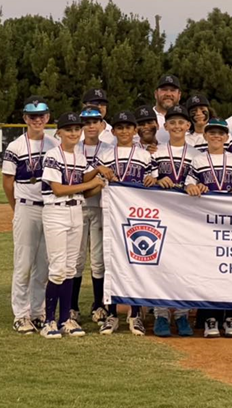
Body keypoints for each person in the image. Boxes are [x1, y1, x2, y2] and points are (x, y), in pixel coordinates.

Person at [39, 112, 107, 339]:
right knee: (57, 268)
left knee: (70, 268)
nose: (74, 133)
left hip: (76, 210)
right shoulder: (52, 154)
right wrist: (91, 181)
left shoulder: (79, 156)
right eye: (69, 129)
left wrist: (98, 176)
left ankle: (65, 319)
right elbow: (58, 188)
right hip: (56, 211)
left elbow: (84, 185)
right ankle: (48, 321)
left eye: (77, 129)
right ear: (59, 132)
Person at [96, 110, 159, 336]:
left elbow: (154, 179)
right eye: (119, 127)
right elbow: (95, 179)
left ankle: (134, 314)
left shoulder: (145, 155)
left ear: (135, 131)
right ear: (113, 131)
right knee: (111, 260)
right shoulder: (104, 154)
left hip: (136, 213)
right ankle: (112, 313)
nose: (124, 131)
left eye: (128, 127)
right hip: (111, 211)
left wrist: (154, 180)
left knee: (135, 261)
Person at [2, 97, 57, 335]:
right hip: (26, 206)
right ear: (25, 118)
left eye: (42, 116)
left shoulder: (54, 144)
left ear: (48, 118)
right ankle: (21, 314)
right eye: (32, 116)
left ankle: (38, 311)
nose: (37, 120)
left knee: (44, 265)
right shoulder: (16, 146)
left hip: (50, 207)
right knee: (24, 263)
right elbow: (7, 182)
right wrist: (17, 208)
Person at [185, 118, 232, 339]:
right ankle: (210, 317)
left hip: (230, 220)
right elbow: (189, 182)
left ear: (227, 137)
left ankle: (228, 316)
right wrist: (193, 186)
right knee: (209, 268)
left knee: (230, 267)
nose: (217, 137)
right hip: (206, 220)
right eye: (212, 133)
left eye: (221, 133)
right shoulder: (199, 160)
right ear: (206, 136)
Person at [151, 104, 198, 337]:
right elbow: (146, 181)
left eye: (182, 122)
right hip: (163, 213)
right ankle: (161, 313)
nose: (177, 126)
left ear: (188, 126)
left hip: (189, 217)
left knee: (186, 264)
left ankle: (182, 314)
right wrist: (159, 181)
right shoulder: (156, 152)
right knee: (162, 263)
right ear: (165, 126)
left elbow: (204, 181)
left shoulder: (198, 155)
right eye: (173, 122)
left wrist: (197, 185)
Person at [72, 107, 115, 326]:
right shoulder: (74, 148)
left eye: (95, 121)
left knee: (99, 260)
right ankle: (72, 306)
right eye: (86, 122)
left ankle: (99, 305)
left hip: (101, 207)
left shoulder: (109, 148)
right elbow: (76, 176)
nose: (90, 126)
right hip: (78, 206)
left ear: (101, 124)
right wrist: (98, 170)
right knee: (77, 259)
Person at [152, 75, 183, 144]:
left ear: (179, 95)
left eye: (173, 90)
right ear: (156, 94)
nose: (168, 94)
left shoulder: (187, 119)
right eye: (164, 89)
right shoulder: (145, 118)